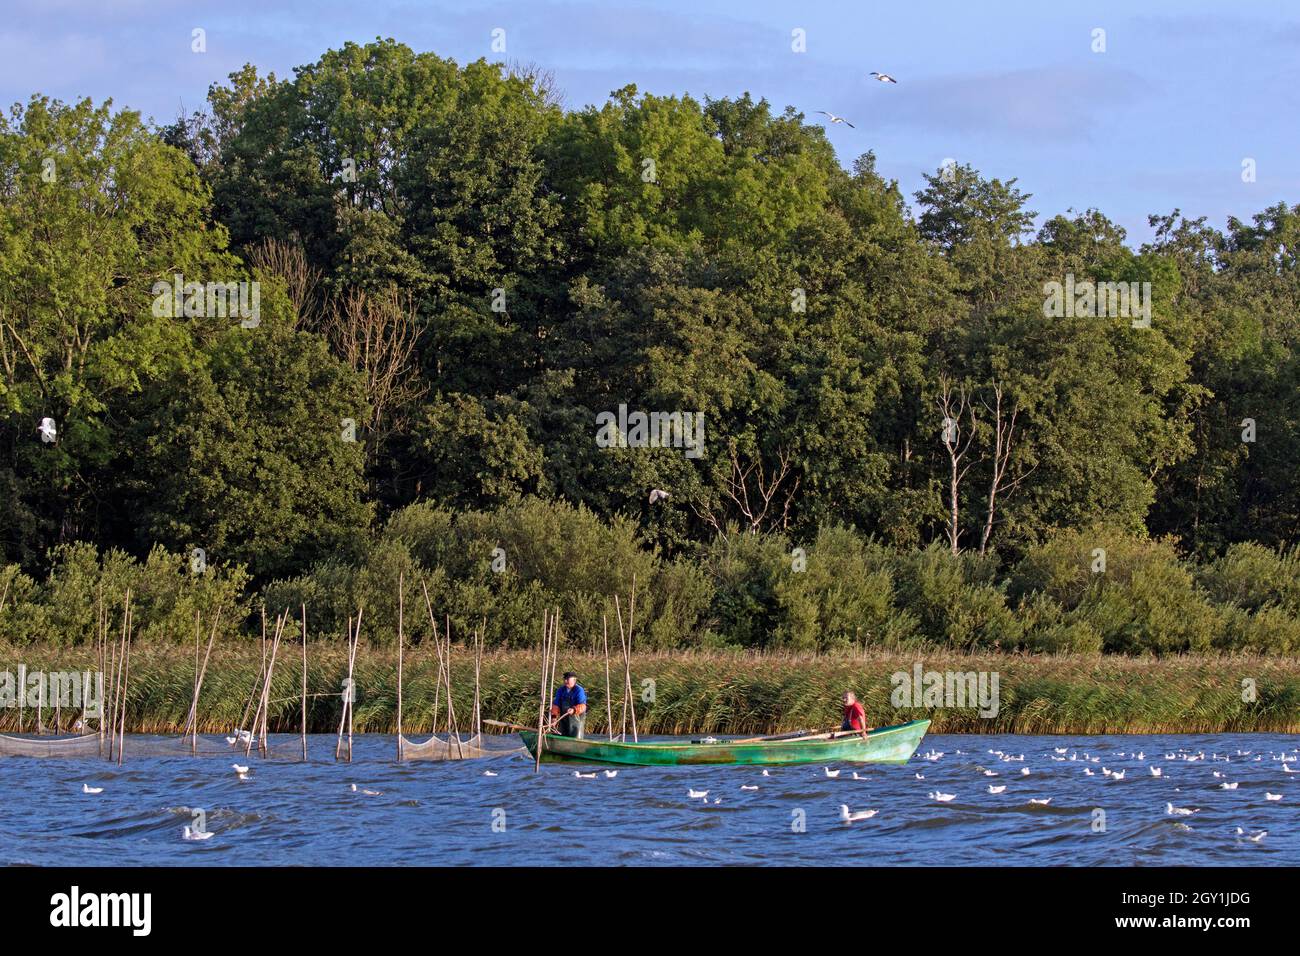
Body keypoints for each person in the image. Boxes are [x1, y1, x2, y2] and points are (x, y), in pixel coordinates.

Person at [551, 672, 588, 738]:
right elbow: (556, 705)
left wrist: (574, 710)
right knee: (564, 735)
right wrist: (554, 717)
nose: (565, 681)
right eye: (565, 679)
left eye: (568, 679)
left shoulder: (579, 690)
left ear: (574, 680)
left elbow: (583, 706)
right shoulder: (561, 690)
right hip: (564, 719)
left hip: (576, 719)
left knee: (576, 736)